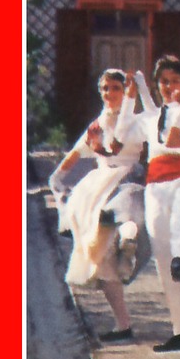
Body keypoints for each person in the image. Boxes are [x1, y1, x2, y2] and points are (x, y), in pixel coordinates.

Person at [48, 69, 147, 341]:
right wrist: (56, 176)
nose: (109, 94)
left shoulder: (136, 121)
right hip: (98, 184)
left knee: (124, 218)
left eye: (115, 88)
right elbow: (78, 152)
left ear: (125, 91)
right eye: (105, 88)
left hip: (128, 177)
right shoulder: (97, 124)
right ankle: (123, 323)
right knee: (99, 256)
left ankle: (129, 243)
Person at [125, 56, 180, 353]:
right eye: (164, 81)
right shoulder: (152, 116)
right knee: (161, 254)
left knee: (178, 224)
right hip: (155, 184)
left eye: (175, 81)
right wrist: (131, 92)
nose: (170, 87)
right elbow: (126, 132)